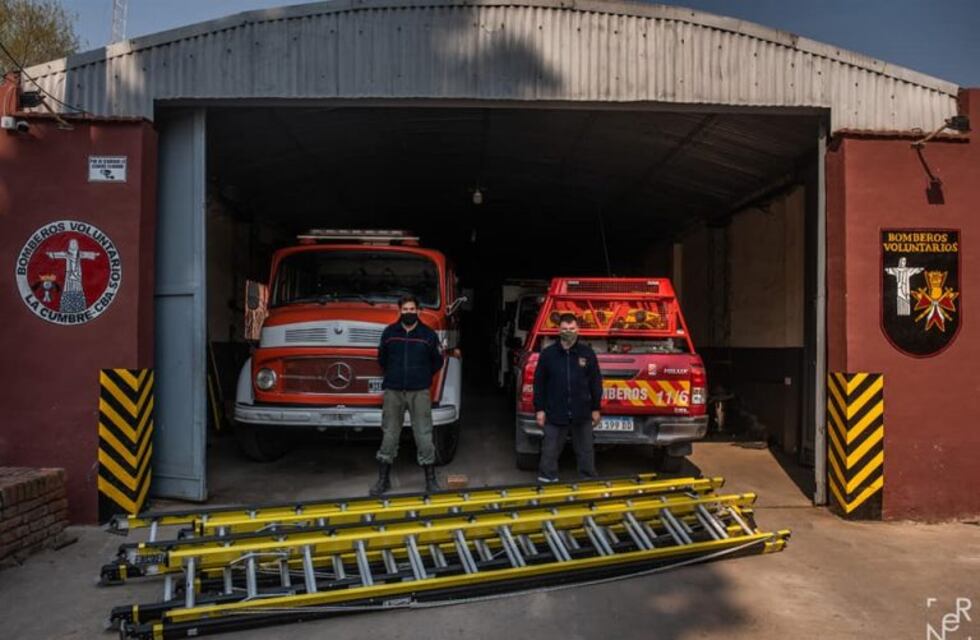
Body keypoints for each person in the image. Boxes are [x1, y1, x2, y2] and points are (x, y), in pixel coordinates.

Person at [370, 295, 445, 495]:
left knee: (424, 435)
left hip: (419, 392)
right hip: (393, 392)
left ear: (418, 311)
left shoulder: (428, 335)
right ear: (399, 311)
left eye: (412, 309)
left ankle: (431, 480)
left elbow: (437, 361)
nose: (409, 313)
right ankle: (383, 480)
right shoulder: (389, 333)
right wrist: (395, 375)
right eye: (405, 309)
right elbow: (382, 359)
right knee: (389, 435)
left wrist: (421, 376)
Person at [533, 313, 603, 482]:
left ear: (578, 329)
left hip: (582, 412)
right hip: (555, 412)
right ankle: (547, 480)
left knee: (586, 451)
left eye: (572, 328)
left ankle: (588, 482)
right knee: (549, 451)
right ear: (559, 330)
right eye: (565, 329)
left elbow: (595, 382)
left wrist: (596, 408)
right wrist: (540, 409)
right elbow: (539, 384)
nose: (568, 332)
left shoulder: (587, 354)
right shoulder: (548, 354)